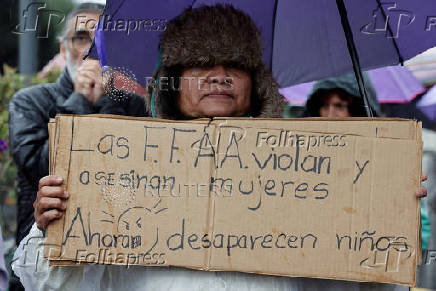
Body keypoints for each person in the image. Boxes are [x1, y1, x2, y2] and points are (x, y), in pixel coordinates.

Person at [15, 5, 427, 290]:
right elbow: (50, 285)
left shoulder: (304, 172)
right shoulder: (123, 165)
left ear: (255, 84)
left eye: (234, 65)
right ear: (172, 85)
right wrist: (48, 225)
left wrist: (388, 223)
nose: (218, 76)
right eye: (200, 64)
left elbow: (355, 284)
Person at [9, 2, 147, 245]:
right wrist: (79, 100)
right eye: (81, 38)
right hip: (44, 255)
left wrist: (107, 102)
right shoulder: (29, 102)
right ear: (63, 49)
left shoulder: (136, 106)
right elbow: (42, 170)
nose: (91, 51)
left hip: (118, 250)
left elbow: (134, 174)